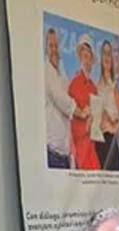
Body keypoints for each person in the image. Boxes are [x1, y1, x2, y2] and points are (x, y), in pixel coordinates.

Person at [43, 27, 79, 169]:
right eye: (50, 46)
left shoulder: (61, 70)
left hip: (65, 152)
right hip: (53, 151)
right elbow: (60, 98)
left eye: (56, 45)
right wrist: (80, 112)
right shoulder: (47, 71)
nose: (54, 49)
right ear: (46, 48)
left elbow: (69, 91)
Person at [67, 35, 100, 171]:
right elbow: (69, 118)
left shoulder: (94, 88)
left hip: (92, 147)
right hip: (79, 147)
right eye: (84, 54)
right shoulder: (74, 84)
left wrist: (95, 120)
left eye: (89, 55)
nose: (86, 59)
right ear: (80, 57)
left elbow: (96, 123)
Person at [95, 40, 119, 171]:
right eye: (104, 53)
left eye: (109, 53)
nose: (106, 57)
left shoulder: (115, 85)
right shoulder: (97, 86)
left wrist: (114, 126)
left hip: (114, 141)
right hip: (100, 142)